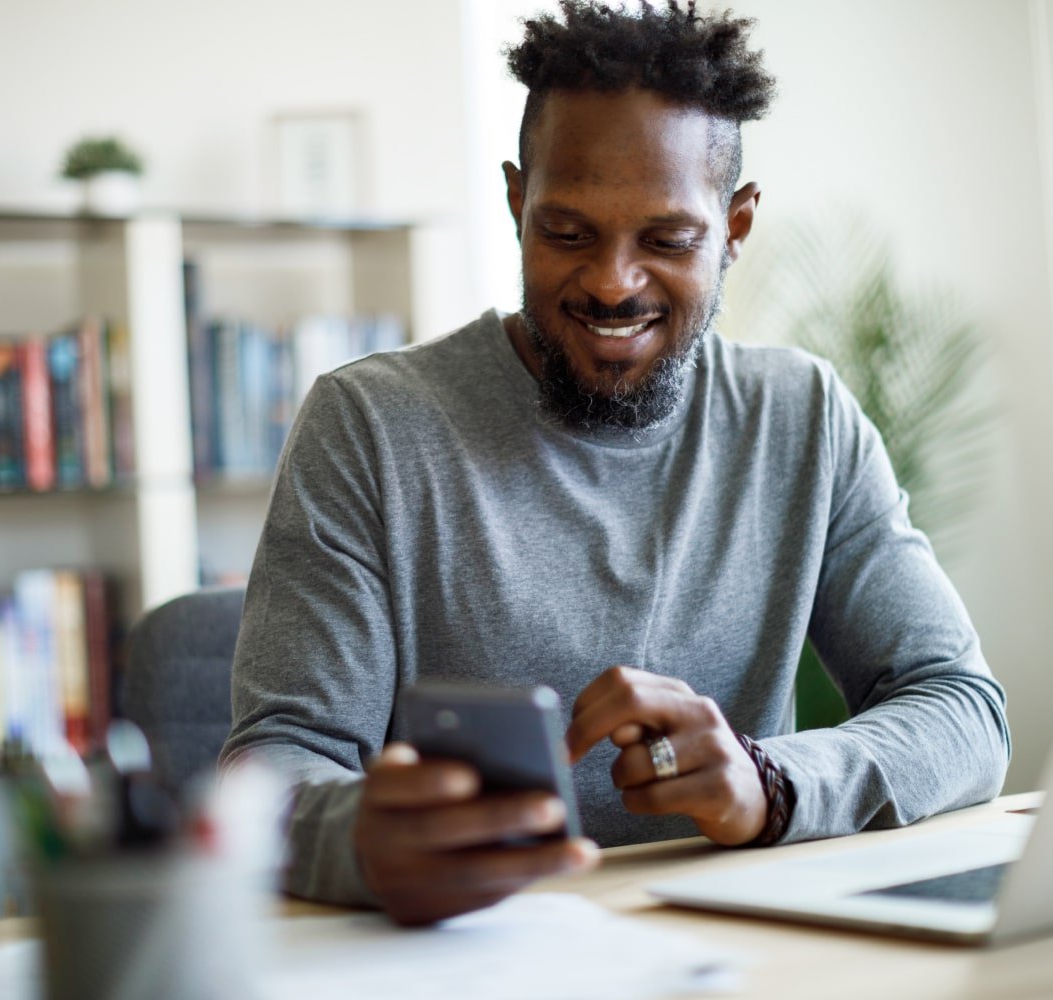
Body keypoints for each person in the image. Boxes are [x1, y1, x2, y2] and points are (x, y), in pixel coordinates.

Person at [220, 0, 1010, 927]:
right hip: (468, 952)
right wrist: (360, 833)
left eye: (667, 241)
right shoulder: (370, 427)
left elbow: (962, 710)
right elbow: (275, 762)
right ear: (517, 202)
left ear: (737, 225)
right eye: (568, 232)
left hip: (744, 957)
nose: (611, 281)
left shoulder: (803, 418)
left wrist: (771, 783)